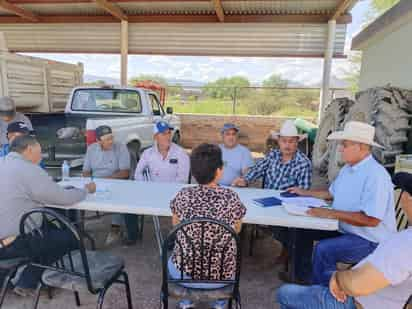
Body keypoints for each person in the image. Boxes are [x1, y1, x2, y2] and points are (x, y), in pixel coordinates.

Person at [287, 121, 396, 285]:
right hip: (347, 229)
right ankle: (305, 278)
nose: (340, 149)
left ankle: (324, 292)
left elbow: (372, 220)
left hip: (370, 240)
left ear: (360, 147)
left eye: (344, 145)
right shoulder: (348, 168)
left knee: (323, 250)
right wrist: (305, 193)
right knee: (302, 231)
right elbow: (331, 194)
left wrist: (330, 213)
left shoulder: (376, 176)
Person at [276, 189, 412, 309]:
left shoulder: (403, 243)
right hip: (384, 290)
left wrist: (338, 277)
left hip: (362, 302)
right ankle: (316, 287)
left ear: (408, 199)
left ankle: (319, 292)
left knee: (284, 293)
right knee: (322, 264)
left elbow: (356, 285)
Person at [0, 135, 95, 295]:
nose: (41, 155)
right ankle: (29, 280)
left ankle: (13, 277)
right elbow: (63, 198)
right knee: (69, 238)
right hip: (13, 242)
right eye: (40, 151)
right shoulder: (28, 169)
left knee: (48, 230)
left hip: (5, 239)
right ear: (29, 150)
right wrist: (85, 190)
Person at [169, 143, 246, 309]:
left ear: (194, 173)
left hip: (184, 274)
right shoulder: (231, 197)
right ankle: (220, 303)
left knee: (174, 259)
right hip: (221, 276)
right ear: (219, 171)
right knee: (230, 258)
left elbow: (175, 225)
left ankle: (186, 302)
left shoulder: (183, 195)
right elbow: (237, 230)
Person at [232, 119, 312, 277]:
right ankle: (289, 249)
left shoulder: (304, 163)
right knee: (245, 213)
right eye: (284, 141)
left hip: (289, 206)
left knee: (288, 229)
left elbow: (304, 193)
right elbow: (257, 169)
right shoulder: (273, 155)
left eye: (291, 141)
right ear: (279, 142)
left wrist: (292, 200)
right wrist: (245, 179)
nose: (287, 145)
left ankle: (291, 252)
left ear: (297, 143)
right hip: (266, 202)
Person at [82, 125, 137, 245]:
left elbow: (125, 172)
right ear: (98, 141)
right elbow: (85, 171)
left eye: (111, 137)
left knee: (120, 195)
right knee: (76, 194)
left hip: (116, 182)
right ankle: (78, 228)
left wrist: (104, 180)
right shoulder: (91, 149)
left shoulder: (120, 148)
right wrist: (89, 181)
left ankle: (115, 228)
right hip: (96, 184)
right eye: (107, 139)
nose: (111, 141)